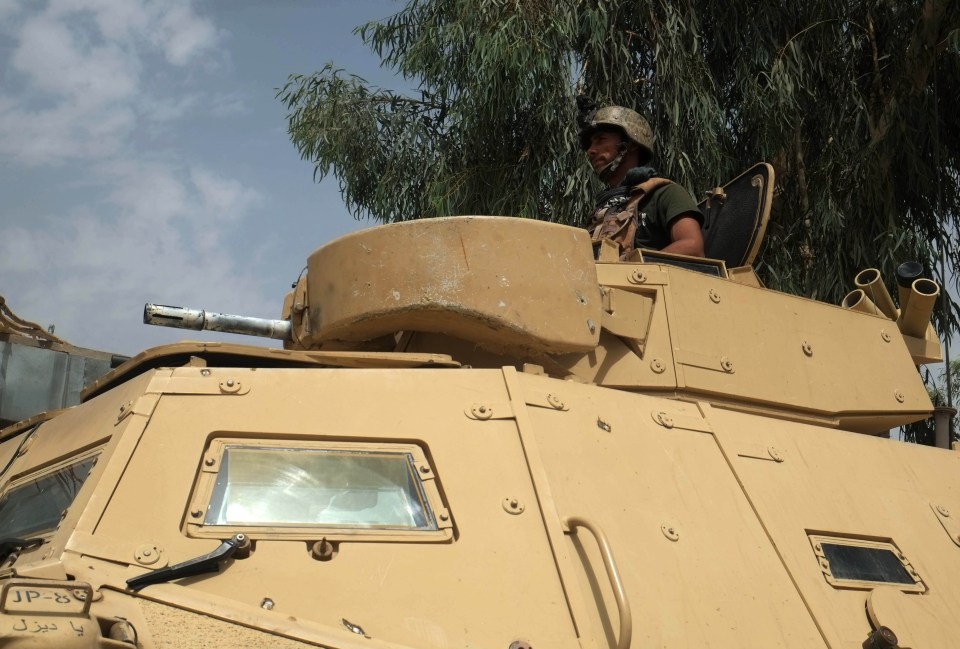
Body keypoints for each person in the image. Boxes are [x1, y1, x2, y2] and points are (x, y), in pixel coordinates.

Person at [578, 101, 704, 259]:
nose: (591, 150)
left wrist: (628, 268)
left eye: (600, 140)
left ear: (630, 145)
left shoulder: (664, 194)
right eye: (590, 144)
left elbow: (692, 247)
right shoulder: (600, 211)